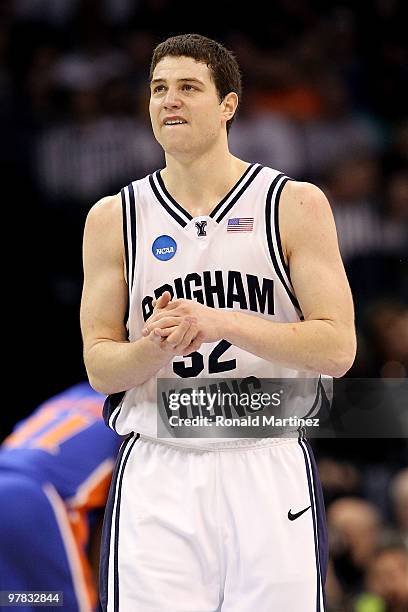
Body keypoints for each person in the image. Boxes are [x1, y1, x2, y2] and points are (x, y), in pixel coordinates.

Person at [80, 33, 356, 611]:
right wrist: (155, 348)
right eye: (158, 89)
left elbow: (337, 348)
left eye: (188, 88)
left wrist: (221, 322)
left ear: (228, 104)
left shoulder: (292, 203)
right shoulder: (114, 217)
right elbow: (102, 367)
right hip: (159, 460)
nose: (169, 101)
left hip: (266, 456)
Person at [0, 383, 121, 612]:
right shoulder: (140, 409)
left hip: (6, 478)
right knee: (56, 602)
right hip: (33, 499)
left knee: (14, 599)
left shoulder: (73, 395)